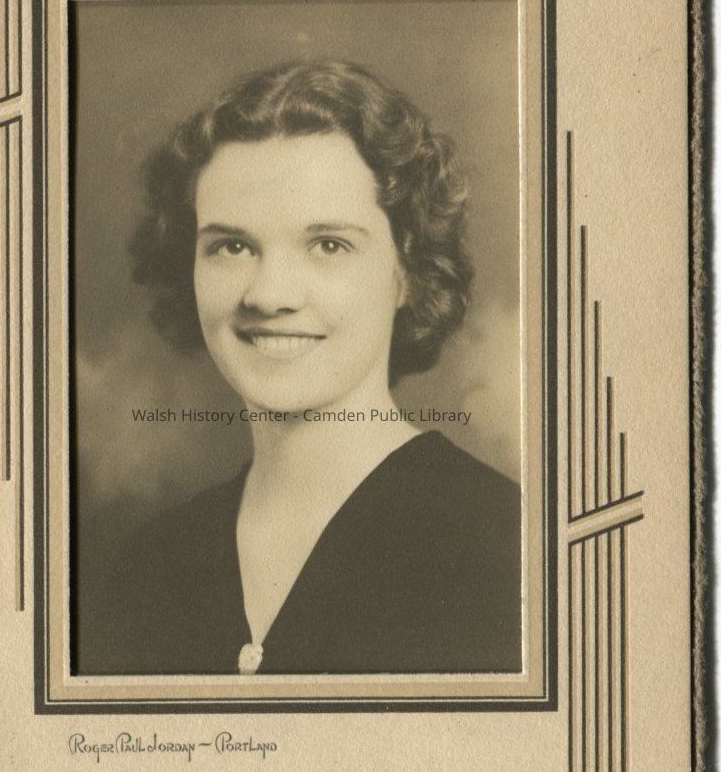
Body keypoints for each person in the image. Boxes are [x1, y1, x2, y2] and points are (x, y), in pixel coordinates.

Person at [74, 61, 521, 677]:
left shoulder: (504, 543)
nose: (269, 295)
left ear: (408, 274)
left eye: (328, 245)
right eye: (232, 246)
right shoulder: (149, 568)